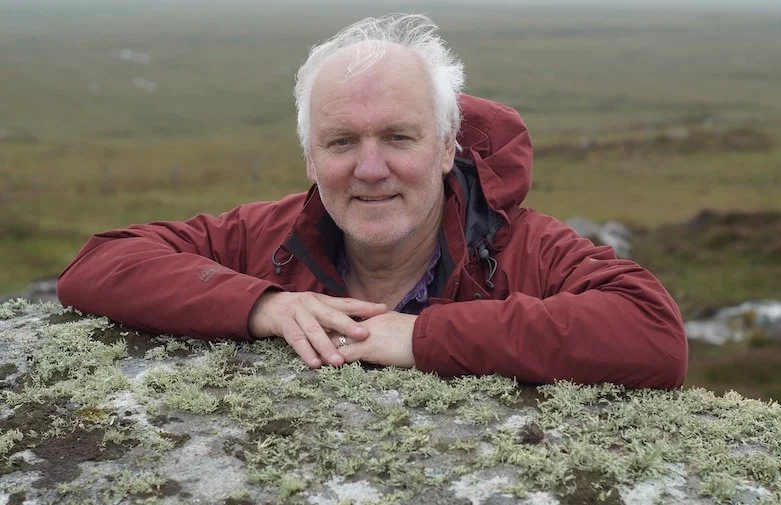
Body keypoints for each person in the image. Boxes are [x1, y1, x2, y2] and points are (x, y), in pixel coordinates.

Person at [57, 14, 687, 389]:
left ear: (446, 147)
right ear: (310, 159)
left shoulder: (522, 248)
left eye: (398, 137)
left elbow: (651, 333)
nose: (369, 168)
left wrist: (423, 338)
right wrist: (266, 305)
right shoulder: (270, 234)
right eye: (340, 142)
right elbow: (100, 264)